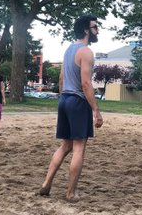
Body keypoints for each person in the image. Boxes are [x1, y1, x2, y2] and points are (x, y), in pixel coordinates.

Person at [39, 14, 104, 201]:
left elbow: (61, 79)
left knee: (65, 145)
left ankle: (46, 183)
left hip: (65, 99)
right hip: (77, 101)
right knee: (79, 147)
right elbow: (85, 83)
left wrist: (63, 98)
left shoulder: (68, 50)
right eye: (95, 27)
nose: (97, 30)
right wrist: (96, 110)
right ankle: (70, 193)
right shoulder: (86, 52)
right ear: (86, 30)